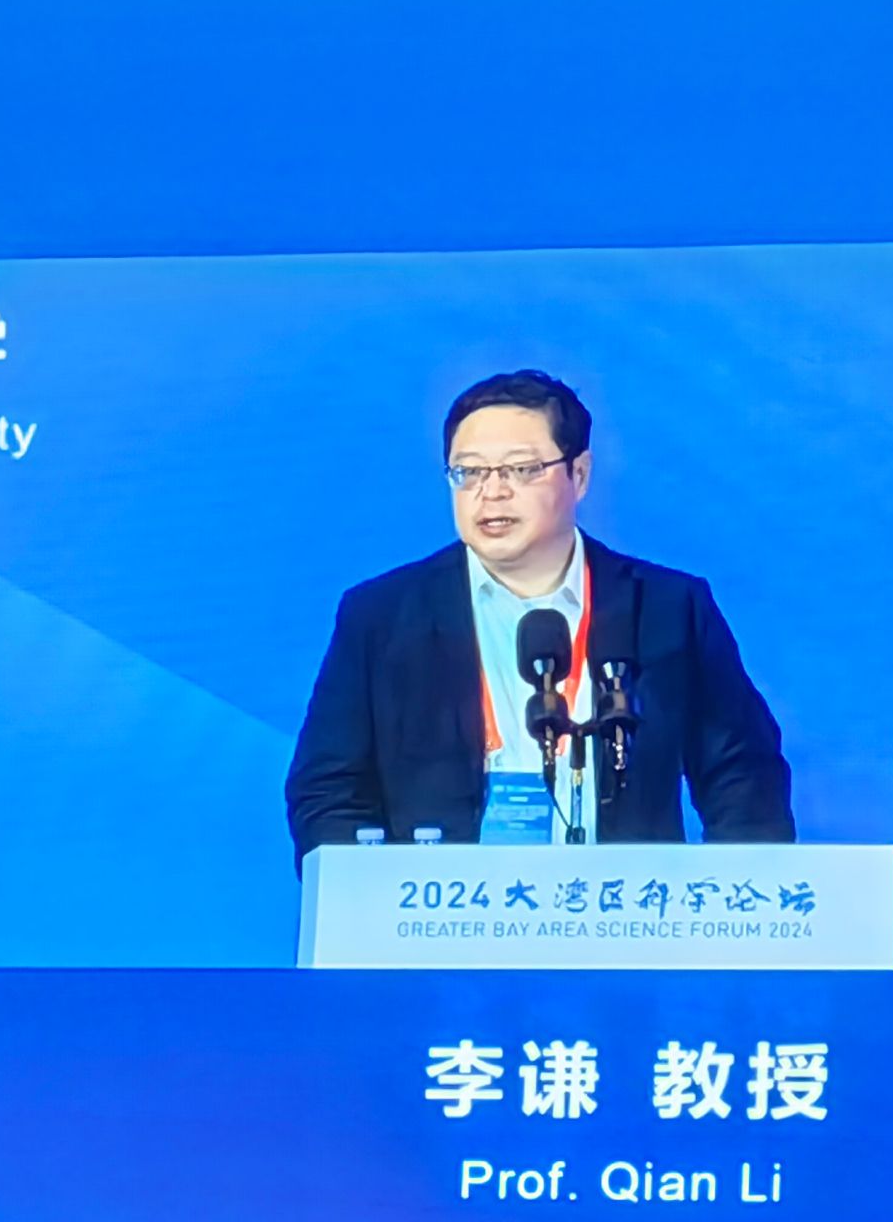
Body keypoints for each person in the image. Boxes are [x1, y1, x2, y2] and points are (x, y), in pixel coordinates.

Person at [286, 369, 794, 867]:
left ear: (579, 475)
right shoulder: (382, 616)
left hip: (624, 910)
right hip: (441, 914)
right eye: (469, 472)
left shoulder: (668, 607)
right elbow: (328, 789)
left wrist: (733, 895)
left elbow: (743, 774)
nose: (491, 492)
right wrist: (369, 896)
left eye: (521, 469)